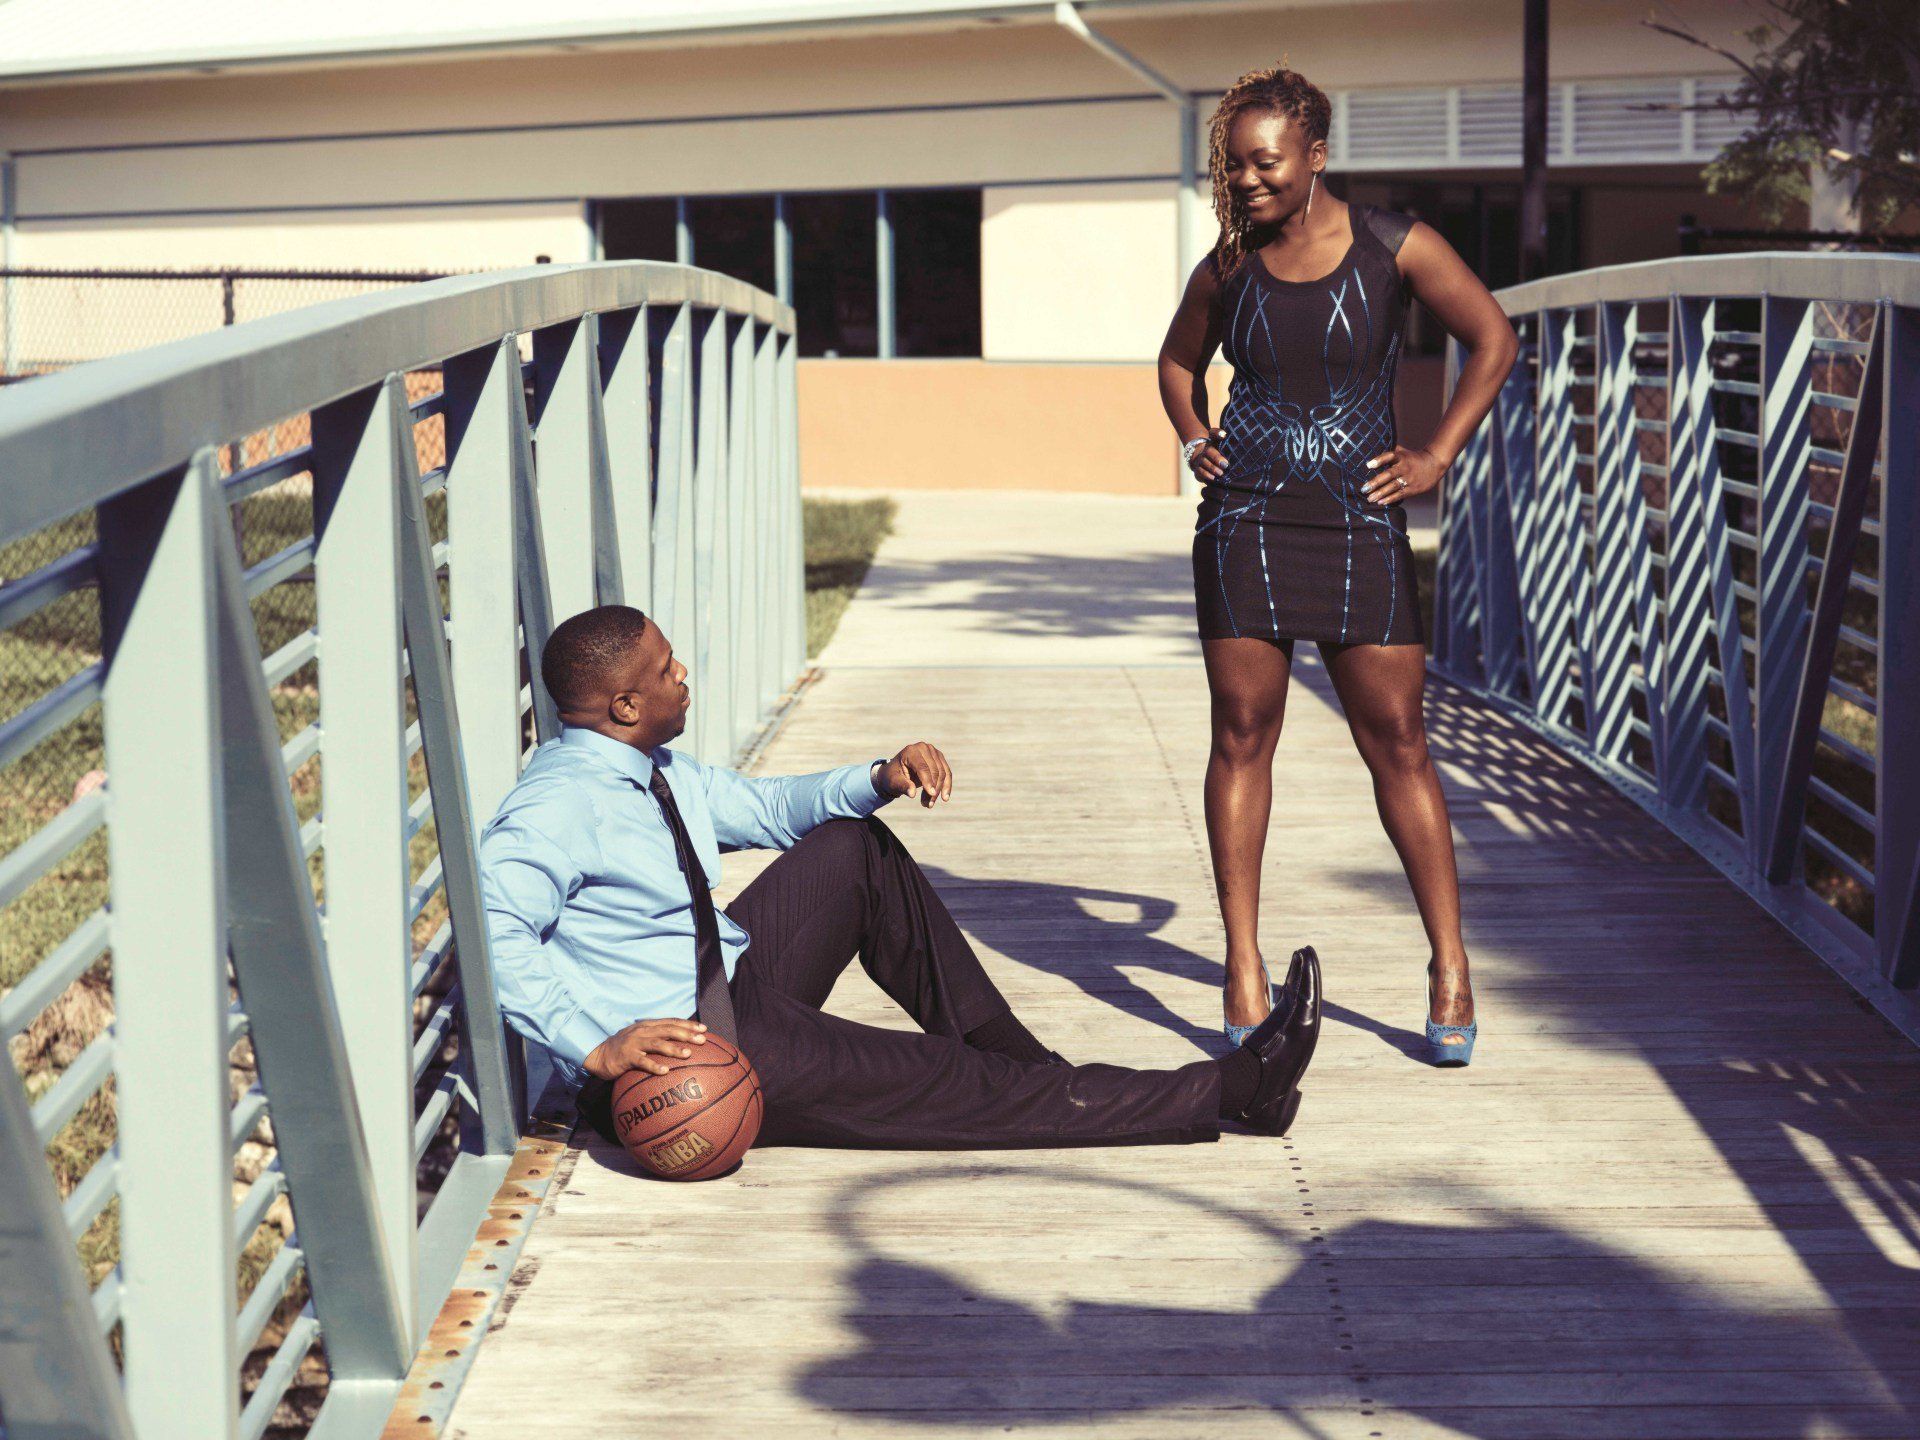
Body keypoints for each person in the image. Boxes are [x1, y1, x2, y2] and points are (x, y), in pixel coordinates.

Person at [476, 604, 1324, 1153]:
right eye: (665, 670)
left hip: (732, 980)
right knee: (949, 1087)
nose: (683, 674)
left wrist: (880, 775)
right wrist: (596, 1043)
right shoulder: (559, 804)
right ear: (623, 704)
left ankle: (1036, 1069)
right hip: (699, 1052)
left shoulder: (648, 766)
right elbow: (490, 928)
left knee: (854, 847)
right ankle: (1236, 1088)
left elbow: (769, 809)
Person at [1155, 66, 1517, 1065]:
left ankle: (1448, 964)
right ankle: (1241, 964)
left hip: (1360, 523)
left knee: (1399, 738)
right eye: (1236, 167)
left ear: (1317, 153)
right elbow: (1177, 363)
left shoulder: (1399, 248)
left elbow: (1493, 339)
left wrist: (1437, 454)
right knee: (1241, 733)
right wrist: (1194, 436)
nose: (1250, 182)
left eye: (1266, 164)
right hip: (1247, 520)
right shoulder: (1228, 268)